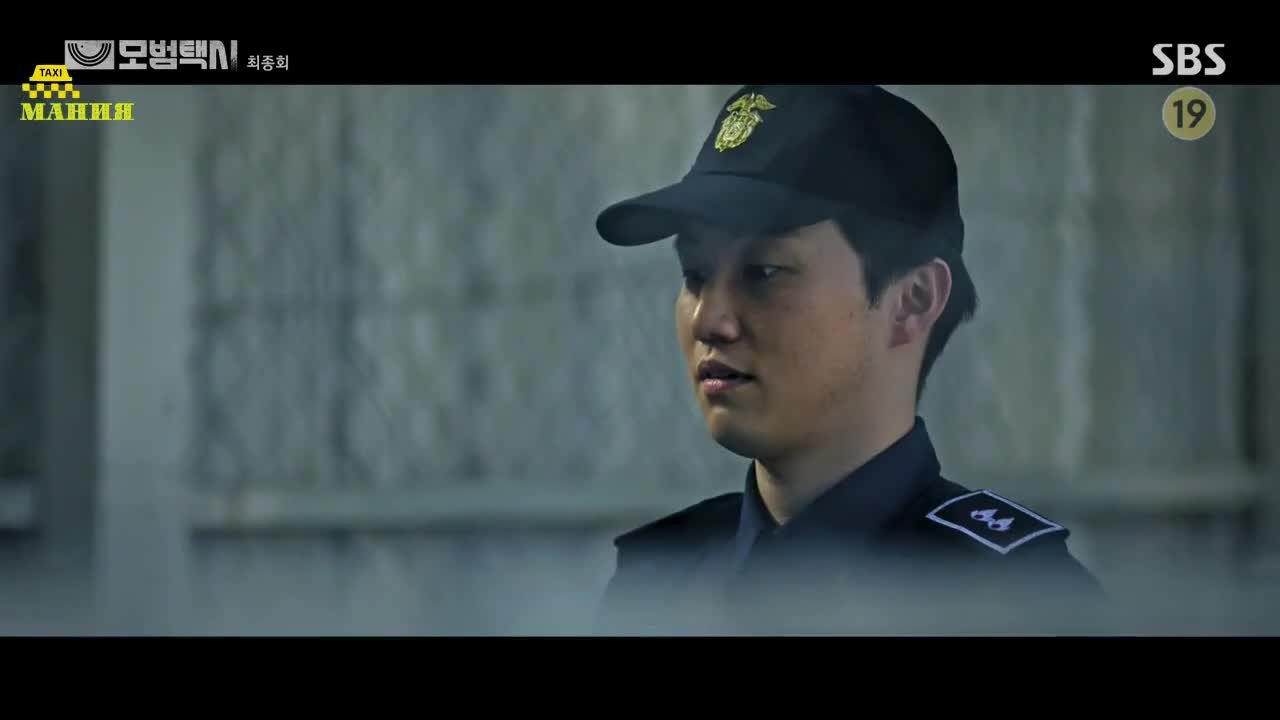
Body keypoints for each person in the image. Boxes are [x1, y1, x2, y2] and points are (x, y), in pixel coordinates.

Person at [590, 85, 1104, 635]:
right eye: (694, 275)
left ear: (912, 301)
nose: (708, 320)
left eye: (764, 273)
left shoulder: (1016, 601)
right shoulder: (655, 584)